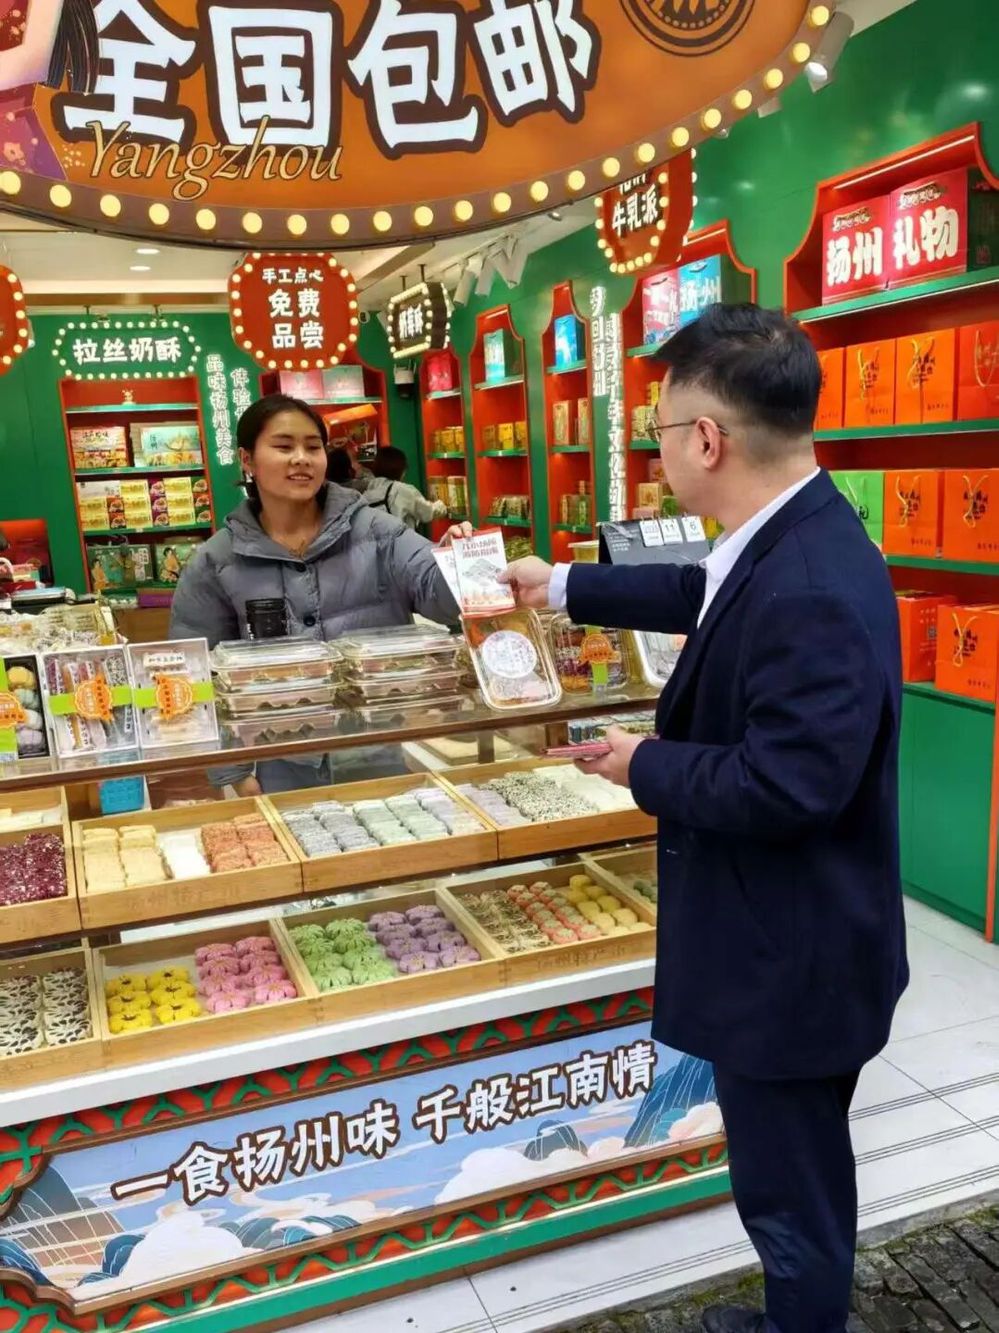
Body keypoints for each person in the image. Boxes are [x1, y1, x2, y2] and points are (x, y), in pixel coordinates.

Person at [501, 304, 908, 1333]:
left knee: (792, 1192)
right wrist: (564, 584)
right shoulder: (792, 529)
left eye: (662, 431)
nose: (660, 451)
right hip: (796, 939)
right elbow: (704, 591)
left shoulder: (808, 582)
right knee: (788, 1172)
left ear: (709, 440)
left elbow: (788, 788)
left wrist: (643, 762)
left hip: (792, 961)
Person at [170, 394, 469, 794]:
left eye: (313, 447)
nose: (301, 459)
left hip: (380, 751)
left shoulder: (378, 532)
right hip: (281, 762)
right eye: (283, 446)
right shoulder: (216, 561)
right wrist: (234, 774)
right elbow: (195, 672)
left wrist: (460, 563)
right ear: (247, 459)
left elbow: (443, 598)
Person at [364, 446, 448, 529]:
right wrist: (441, 505)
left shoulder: (367, 491)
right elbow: (427, 512)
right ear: (400, 469)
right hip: (400, 537)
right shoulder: (401, 490)